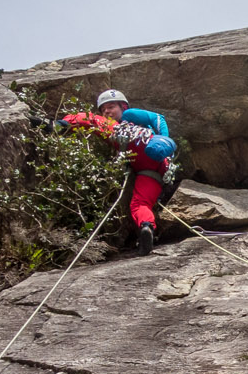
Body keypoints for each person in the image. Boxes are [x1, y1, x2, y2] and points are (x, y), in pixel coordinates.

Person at [57, 89, 180, 254]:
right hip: (152, 168)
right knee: (140, 203)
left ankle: (61, 124)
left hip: (138, 141)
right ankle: (146, 228)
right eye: (104, 109)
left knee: (92, 120)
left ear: (122, 106)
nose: (107, 111)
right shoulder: (121, 123)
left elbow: (157, 118)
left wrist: (164, 138)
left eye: (111, 107)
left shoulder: (129, 117)